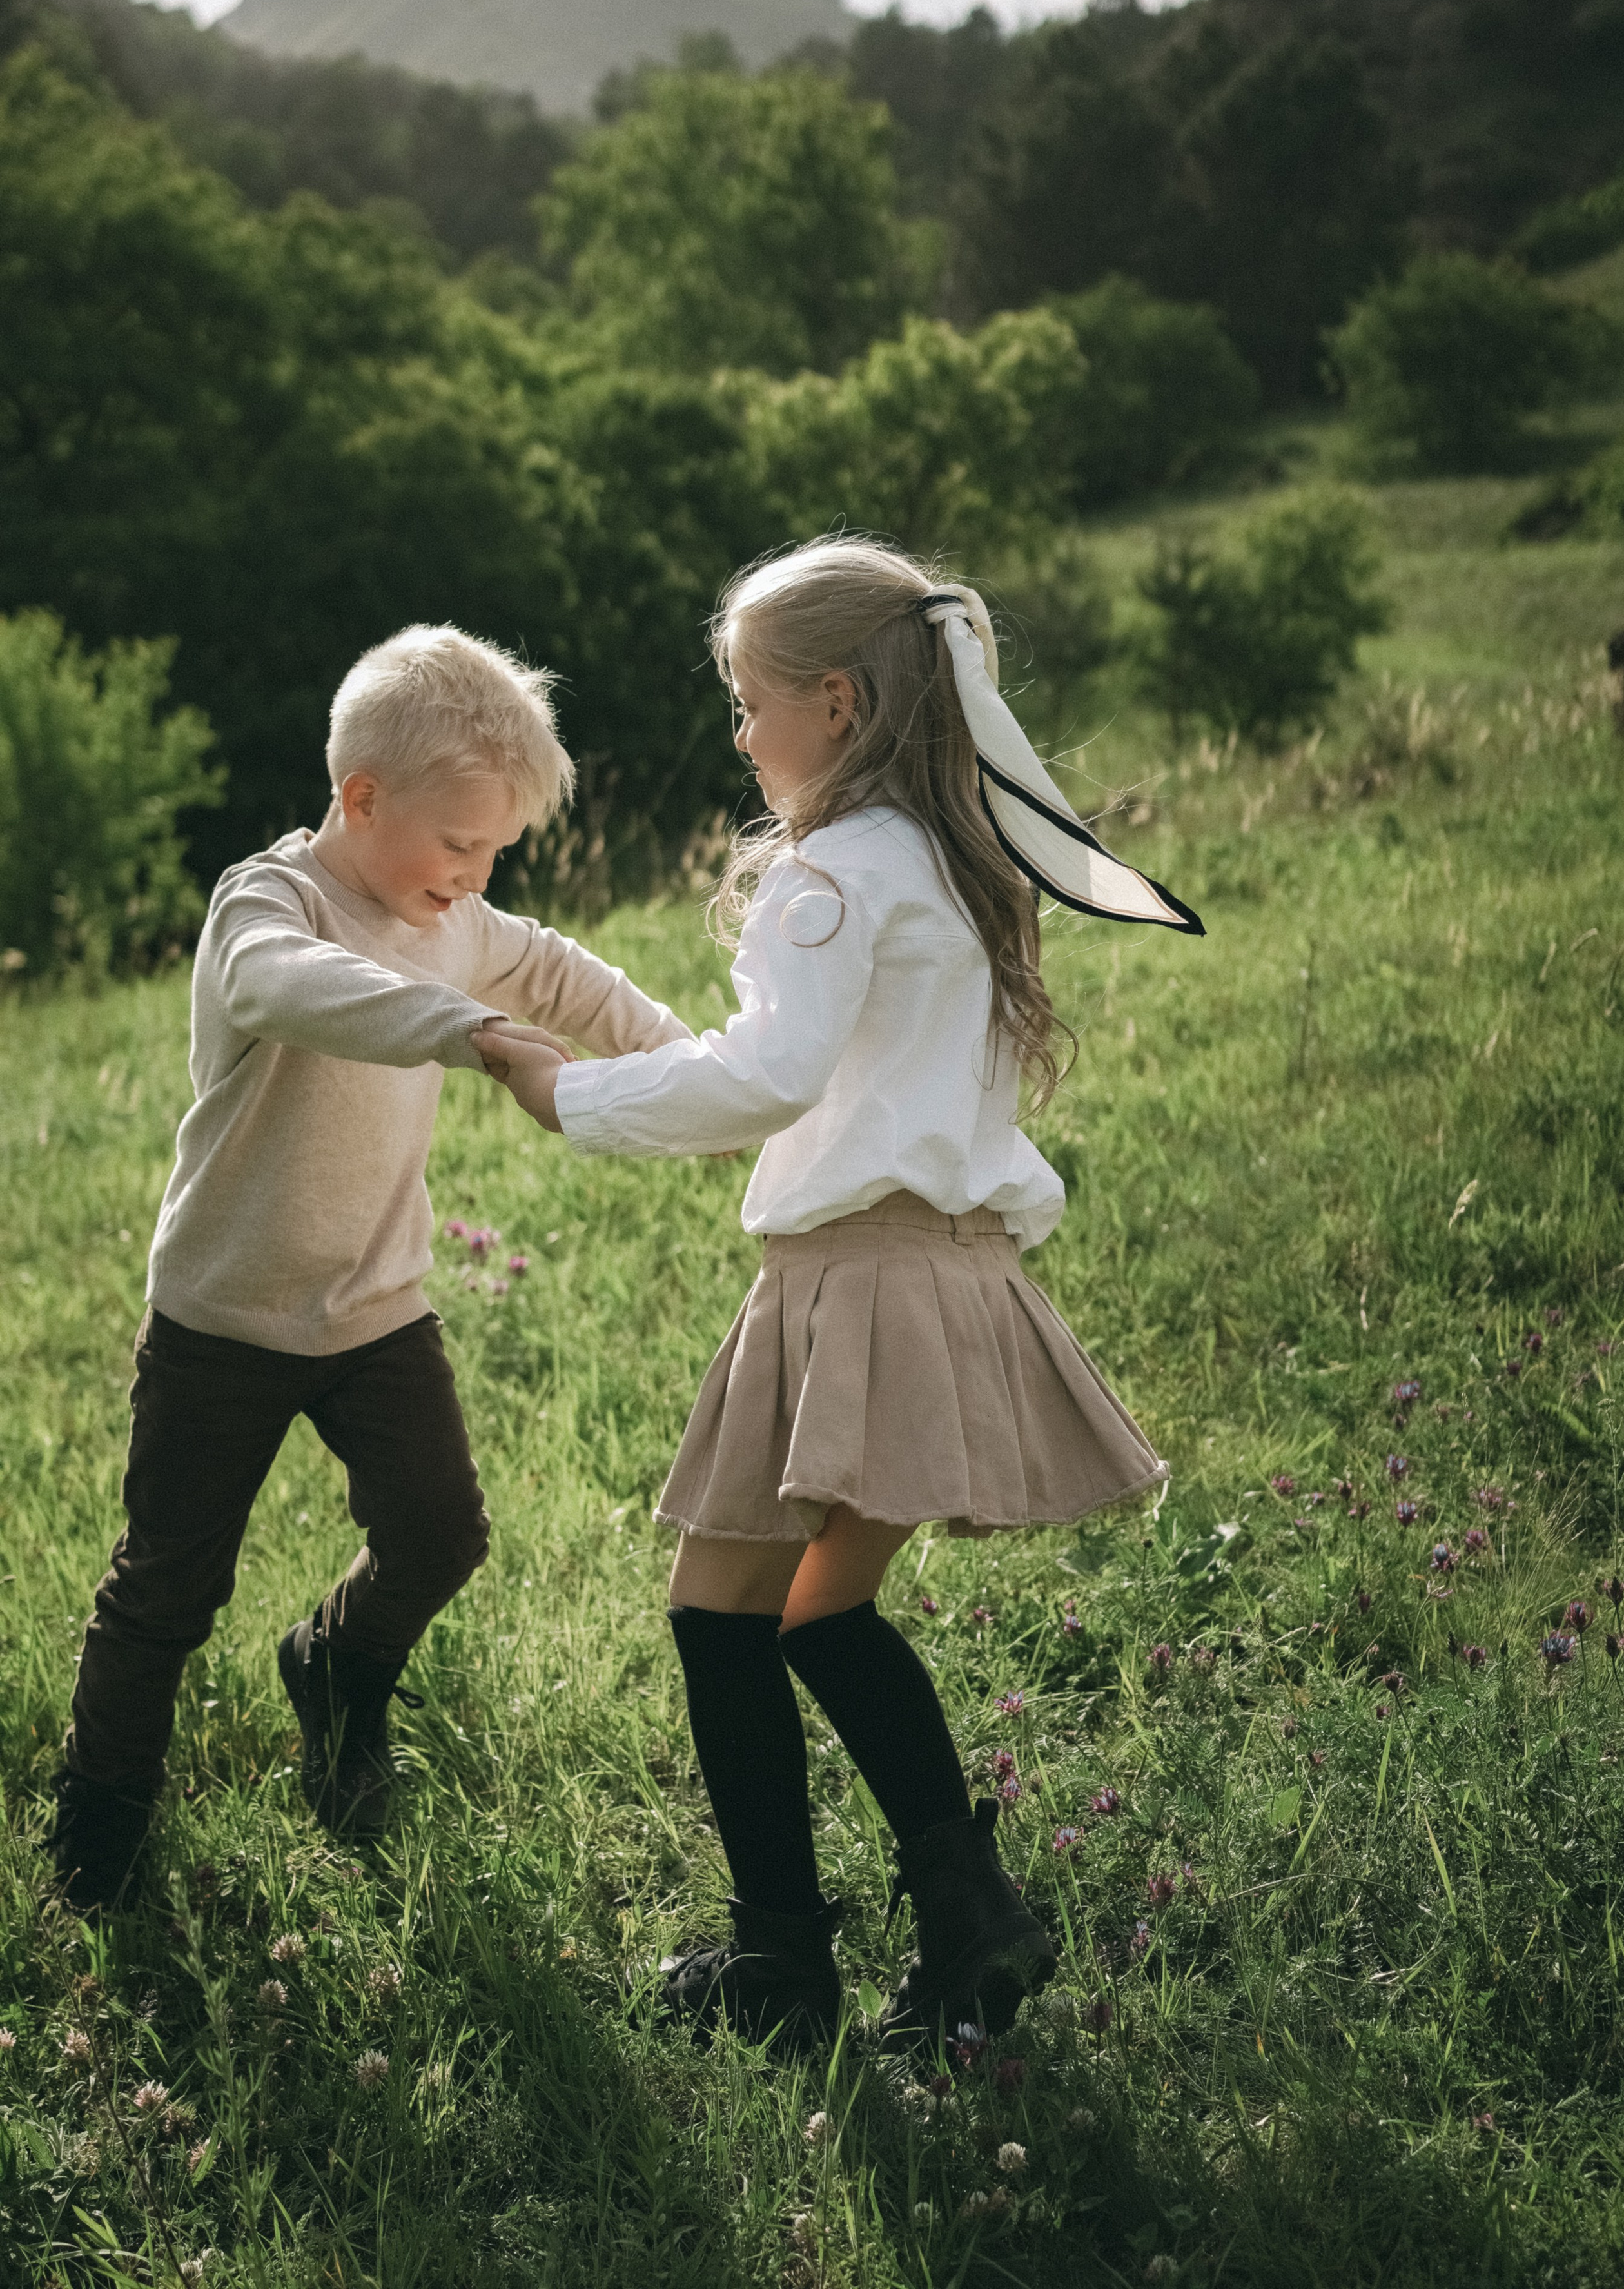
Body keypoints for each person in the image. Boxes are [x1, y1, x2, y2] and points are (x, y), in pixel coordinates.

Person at [477, 536, 1200, 2052]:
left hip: (853, 1279)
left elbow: (768, 1073)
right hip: (931, 1271)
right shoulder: (957, 861)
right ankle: (922, 1933)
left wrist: (570, 1093)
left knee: (736, 1612)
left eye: (748, 703)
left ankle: (804, 1963)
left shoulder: (825, 875)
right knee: (789, 1611)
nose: (738, 734)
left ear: (838, 702)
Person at [50, 624, 691, 1912]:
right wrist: (474, 1034)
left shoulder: (453, 916)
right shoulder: (267, 905)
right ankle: (101, 1820)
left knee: (439, 1534)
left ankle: (336, 1666)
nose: (477, 873)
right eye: (459, 844)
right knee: (167, 1588)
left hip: (375, 1310)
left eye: (497, 848)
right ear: (360, 797)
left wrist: (700, 1068)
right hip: (223, 1320)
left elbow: (564, 974)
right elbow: (297, 989)